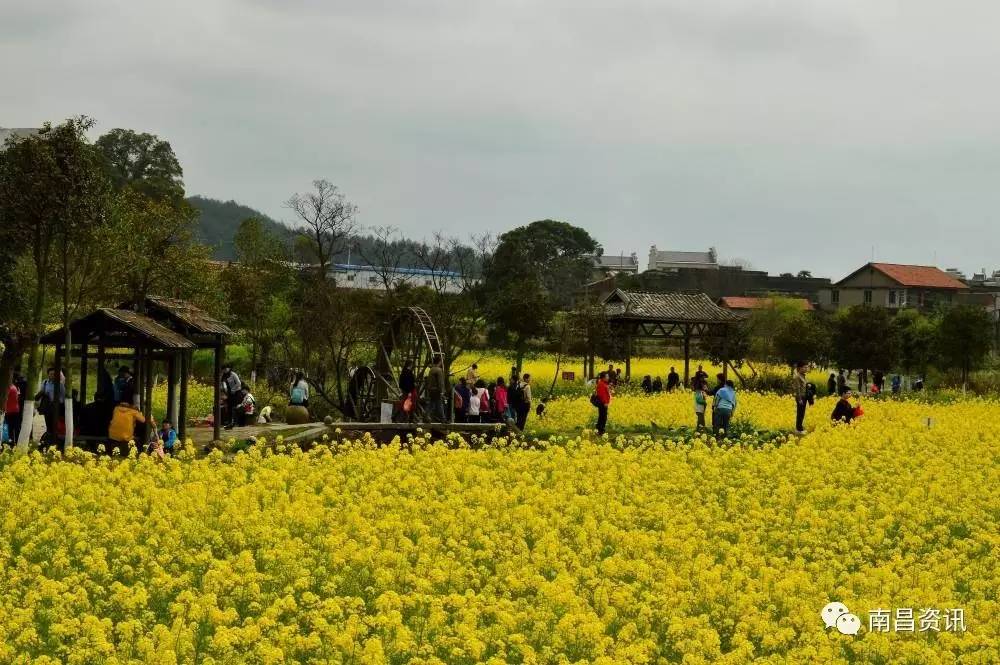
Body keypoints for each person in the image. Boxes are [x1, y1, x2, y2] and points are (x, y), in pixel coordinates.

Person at [427, 356, 448, 423]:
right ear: (439, 362)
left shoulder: (431, 369)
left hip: (431, 390)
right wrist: (442, 391)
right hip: (436, 390)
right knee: (439, 404)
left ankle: (426, 415)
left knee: (432, 404)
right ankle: (443, 419)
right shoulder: (438, 370)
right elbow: (440, 382)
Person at [221, 366, 242, 430]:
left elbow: (239, 383)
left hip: (236, 392)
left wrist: (233, 389)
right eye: (223, 369)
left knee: (233, 407)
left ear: (229, 368)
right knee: (229, 407)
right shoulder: (224, 375)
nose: (225, 370)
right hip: (229, 393)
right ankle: (229, 423)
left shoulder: (233, 374)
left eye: (226, 368)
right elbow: (223, 383)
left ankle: (233, 422)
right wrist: (224, 390)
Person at [5, 373, 21, 444]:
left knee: (10, 428)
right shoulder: (14, 387)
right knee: (16, 428)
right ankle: (16, 442)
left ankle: (11, 442)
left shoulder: (8, 388)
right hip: (15, 410)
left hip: (9, 411)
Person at [593, 371, 611, 435]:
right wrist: (605, 402)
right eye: (607, 376)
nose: (608, 377)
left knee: (602, 416)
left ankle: (599, 429)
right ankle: (600, 430)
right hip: (603, 403)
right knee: (603, 417)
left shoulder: (603, 383)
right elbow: (602, 395)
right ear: (603, 378)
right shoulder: (601, 384)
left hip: (603, 403)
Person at [793, 362, 809, 434]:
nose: (806, 369)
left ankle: (800, 427)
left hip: (804, 397)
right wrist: (799, 399)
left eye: (807, 367)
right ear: (800, 368)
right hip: (801, 397)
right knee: (800, 413)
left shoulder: (803, 376)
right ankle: (798, 429)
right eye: (805, 367)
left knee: (802, 413)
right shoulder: (797, 377)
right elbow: (797, 389)